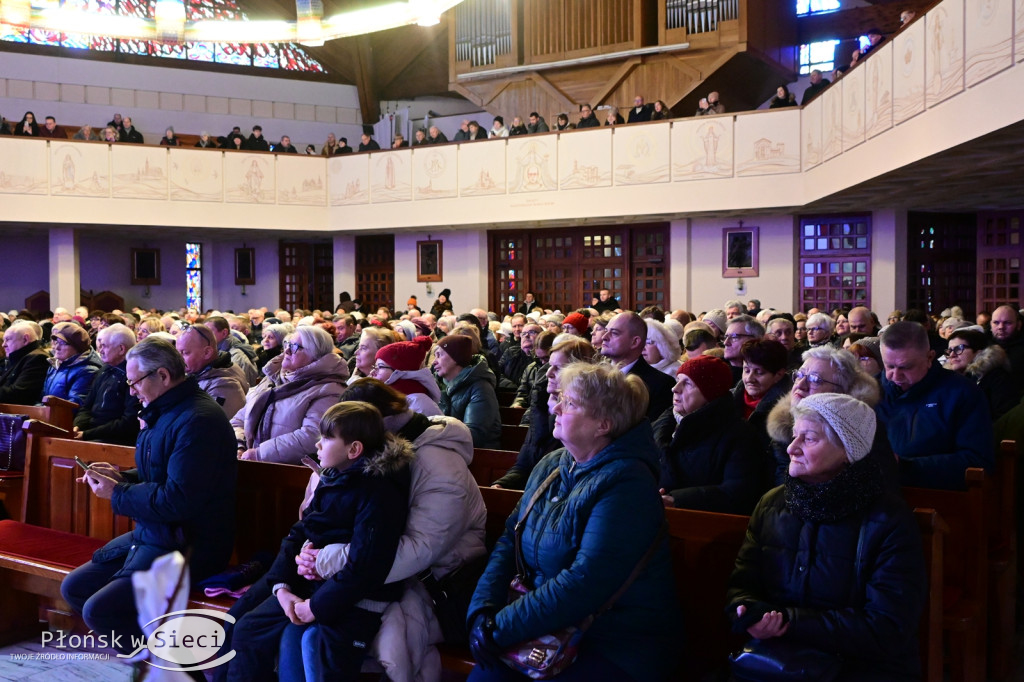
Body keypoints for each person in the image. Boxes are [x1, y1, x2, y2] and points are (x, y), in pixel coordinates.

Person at [468, 363, 679, 681]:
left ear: (602, 425)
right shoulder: (553, 463)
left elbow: (585, 581)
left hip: (611, 641)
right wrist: (483, 610)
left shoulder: (628, 483)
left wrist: (500, 627)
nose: (556, 406)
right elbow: (510, 539)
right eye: (561, 398)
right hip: (540, 624)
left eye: (571, 403)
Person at [278, 379, 487, 681]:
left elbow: (422, 548)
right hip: (371, 571)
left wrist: (327, 560)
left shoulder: (437, 463)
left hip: (434, 583)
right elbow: (314, 515)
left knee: (332, 637)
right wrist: (303, 562)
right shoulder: (361, 456)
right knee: (292, 631)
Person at [726, 393, 925, 681]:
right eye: (794, 436)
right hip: (776, 660)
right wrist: (747, 613)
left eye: (809, 439)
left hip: (861, 668)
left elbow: (887, 627)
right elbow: (742, 584)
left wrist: (788, 622)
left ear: (848, 450)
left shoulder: (888, 520)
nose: (791, 448)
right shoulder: (772, 504)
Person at [60, 337, 237, 653]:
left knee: (100, 609)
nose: (131, 390)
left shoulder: (199, 420)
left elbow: (179, 498)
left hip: (192, 543)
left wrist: (118, 493)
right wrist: (119, 475)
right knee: (75, 587)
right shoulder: (164, 411)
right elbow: (159, 473)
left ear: (164, 376)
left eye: (135, 381)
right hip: (158, 533)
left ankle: (170, 668)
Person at [225, 401, 412, 681]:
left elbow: (366, 565)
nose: (318, 444)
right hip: (310, 585)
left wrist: (314, 607)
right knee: (248, 629)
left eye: (326, 437)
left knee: (303, 647)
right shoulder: (335, 475)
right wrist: (282, 587)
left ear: (354, 449)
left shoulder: (378, 492)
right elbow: (301, 530)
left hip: (349, 597)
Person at [876, 321, 993, 489]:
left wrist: (906, 466)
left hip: (939, 498)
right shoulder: (870, 393)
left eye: (905, 367)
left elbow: (977, 461)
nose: (895, 376)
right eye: (889, 366)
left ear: (929, 357)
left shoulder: (962, 393)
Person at [657, 355, 765, 515]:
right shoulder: (663, 424)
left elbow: (739, 492)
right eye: (678, 380)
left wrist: (677, 500)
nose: (675, 388)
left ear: (709, 393)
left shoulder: (739, 436)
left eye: (687, 383)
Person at [232, 326, 350, 464]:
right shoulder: (272, 379)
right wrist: (239, 445)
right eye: (287, 344)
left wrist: (260, 453)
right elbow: (239, 419)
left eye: (295, 347)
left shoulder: (329, 390)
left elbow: (313, 436)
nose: (286, 350)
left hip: (288, 473)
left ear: (315, 355)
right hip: (251, 464)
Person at [599, 312, 675, 423]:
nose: (604, 337)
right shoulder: (594, 375)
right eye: (606, 331)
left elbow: (652, 433)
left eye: (614, 333)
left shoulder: (660, 384)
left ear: (634, 342)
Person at [72, 324, 140, 445]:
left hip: (115, 441)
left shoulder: (134, 376)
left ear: (121, 349)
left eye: (104, 346)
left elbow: (129, 422)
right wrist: (78, 426)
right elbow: (87, 406)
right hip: (93, 435)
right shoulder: (104, 371)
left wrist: (87, 434)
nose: (100, 351)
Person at [433, 334, 502, 448]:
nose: (434, 362)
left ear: (455, 357)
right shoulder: (437, 384)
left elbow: (473, 435)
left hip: (479, 456)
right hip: (449, 449)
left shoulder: (481, 387)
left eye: (439, 355)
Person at [175, 324, 249, 418]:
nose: (178, 359)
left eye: (184, 353)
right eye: (177, 353)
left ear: (207, 352)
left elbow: (208, 425)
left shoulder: (225, 387)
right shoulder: (202, 372)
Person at [945, 328, 1017, 420]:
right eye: (949, 350)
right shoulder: (950, 381)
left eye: (959, 348)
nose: (952, 355)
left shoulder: (997, 377)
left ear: (979, 352)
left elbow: (1005, 417)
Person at [734, 338, 792, 451]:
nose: (749, 378)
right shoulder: (729, 399)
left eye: (759, 372)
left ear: (779, 375)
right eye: (746, 370)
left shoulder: (788, 411)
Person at [368, 336, 442, 416]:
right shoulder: (393, 397)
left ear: (400, 371)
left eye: (380, 367)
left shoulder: (419, 404)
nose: (372, 372)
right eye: (374, 367)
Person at [42, 322, 103, 410]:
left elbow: (74, 406)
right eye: (57, 342)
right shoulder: (55, 364)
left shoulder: (88, 371)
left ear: (77, 347)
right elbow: (43, 397)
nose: (57, 347)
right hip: (49, 416)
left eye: (63, 343)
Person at [0, 321, 50, 405]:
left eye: (8, 339)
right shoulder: (18, 357)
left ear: (25, 339)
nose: (3, 345)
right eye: (3, 340)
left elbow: (19, 393)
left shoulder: (37, 358)